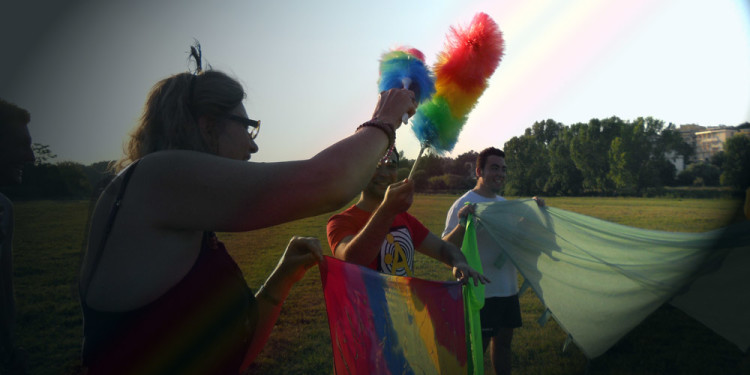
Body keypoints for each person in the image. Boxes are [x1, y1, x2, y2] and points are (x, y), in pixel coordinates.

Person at [78, 45, 417, 375]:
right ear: (208, 125)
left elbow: (232, 354)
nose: (253, 144)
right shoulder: (155, 177)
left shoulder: (186, 212)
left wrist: (281, 279)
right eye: (246, 125)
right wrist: (383, 120)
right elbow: (327, 184)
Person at [442, 147, 544, 375]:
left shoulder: (504, 204)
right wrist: (462, 222)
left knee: (504, 346)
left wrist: (533, 214)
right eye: (494, 168)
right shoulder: (463, 203)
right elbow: (445, 247)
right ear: (479, 171)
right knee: (477, 349)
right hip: (480, 291)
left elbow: (515, 240)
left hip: (507, 288)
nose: (501, 173)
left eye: (504, 169)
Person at [326, 147, 489, 285]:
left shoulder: (403, 218)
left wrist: (458, 261)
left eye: (391, 165)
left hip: (403, 317)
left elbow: (442, 248)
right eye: (375, 164)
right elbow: (353, 259)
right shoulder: (340, 222)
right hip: (365, 319)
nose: (384, 173)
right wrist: (387, 209)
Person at [0, 98, 35, 374]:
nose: (31, 157)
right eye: (21, 145)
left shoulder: (5, 209)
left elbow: (5, 293)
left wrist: (9, 349)